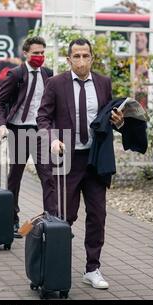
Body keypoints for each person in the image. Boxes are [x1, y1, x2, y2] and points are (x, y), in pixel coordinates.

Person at [37, 38, 124, 289]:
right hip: (67, 159)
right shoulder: (56, 84)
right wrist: (52, 139)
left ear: (92, 58)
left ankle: (92, 268)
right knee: (65, 216)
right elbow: (43, 116)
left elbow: (108, 117)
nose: (82, 61)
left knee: (97, 215)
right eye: (76, 56)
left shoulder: (103, 83)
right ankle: (56, 267)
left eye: (86, 56)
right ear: (68, 59)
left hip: (96, 159)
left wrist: (118, 122)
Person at [0, 36, 57, 238]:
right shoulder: (16, 74)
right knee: (16, 176)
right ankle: (12, 219)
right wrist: (1, 125)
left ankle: (51, 219)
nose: (39, 56)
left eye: (42, 53)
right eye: (35, 53)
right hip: (19, 130)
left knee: (47, 176)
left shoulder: (49, 74)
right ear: (26, 54)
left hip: (40, 131)